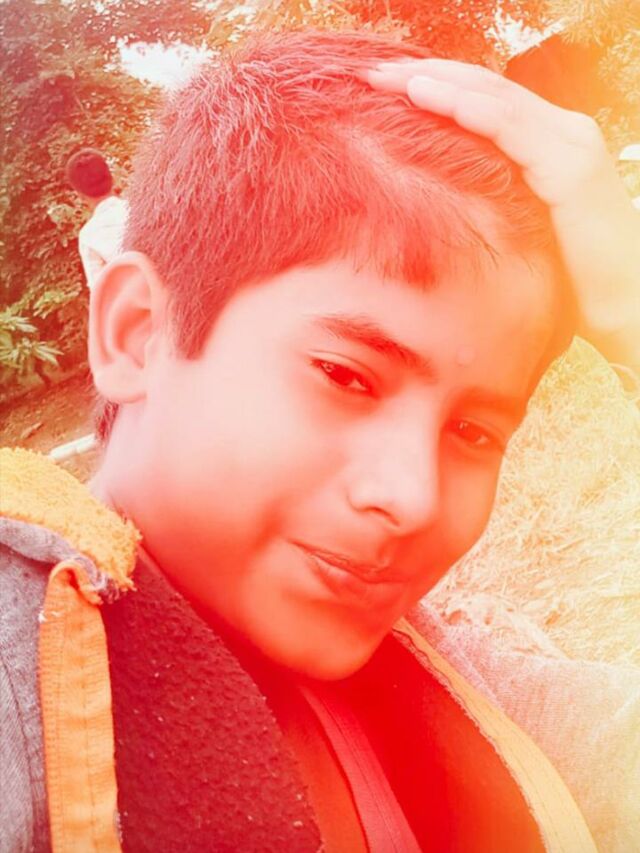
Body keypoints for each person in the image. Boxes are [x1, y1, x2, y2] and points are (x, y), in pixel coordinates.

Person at [3, 29, 639, 851]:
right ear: (136, 332)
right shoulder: (33, 689)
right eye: (346, 376)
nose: (413, 496)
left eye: (474, 430)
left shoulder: (459, 696)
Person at [65, 147, 128, 289]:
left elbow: (99, 292)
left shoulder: (88, 237)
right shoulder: (141, 210)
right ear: (112, 177)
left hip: (135, 301)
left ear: (79, 195)